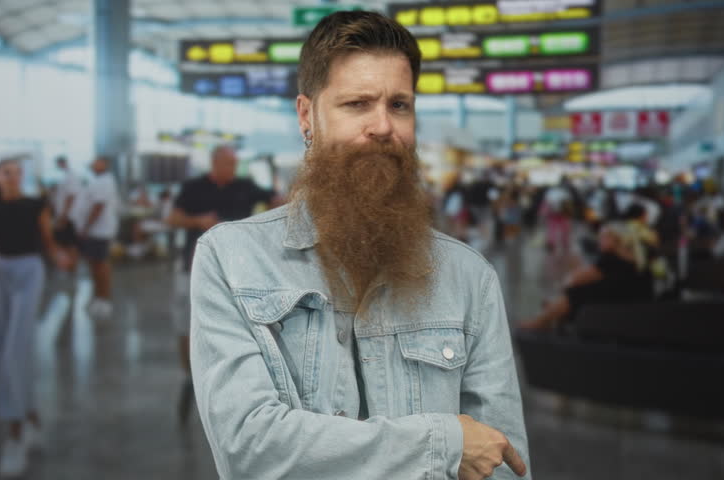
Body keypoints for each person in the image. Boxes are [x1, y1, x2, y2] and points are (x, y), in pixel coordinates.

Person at [190, 12, 529, 480]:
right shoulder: (232, 259)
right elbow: (247, 447)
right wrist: (443, 443)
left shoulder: (468, 277)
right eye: (357, 104)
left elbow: (503, 463)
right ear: (307, 115)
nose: (383, 126)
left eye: (399, 105)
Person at [0, 159, 70, 477]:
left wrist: (58, 256)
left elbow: (47, 239)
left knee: (15, 348)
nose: (14, 177)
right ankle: (30, 417)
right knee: (2, 349)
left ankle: (15, 435)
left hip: (29, 270)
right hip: (1, 271)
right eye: (7, 172)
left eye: (17, 172)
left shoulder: (36, 204)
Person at [167, 145, 281, 423]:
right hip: (193, 265)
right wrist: (197, 220)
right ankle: (188, 375)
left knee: (243, 324)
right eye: (227, 163)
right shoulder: (194, 188)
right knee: (186, 323)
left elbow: (277, 200)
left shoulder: (245, 186)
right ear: (215, 163)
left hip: (240, 270)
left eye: (234, 163)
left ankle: (242, 380)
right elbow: (172, 218)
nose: (231, 168)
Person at [520, 222, 653, 330]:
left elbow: (577, 279)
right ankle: (552, 311)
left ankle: (542, 321)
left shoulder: (612, 258)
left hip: (616, 304)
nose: (599, 240)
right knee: (577, 293)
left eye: (603, 237)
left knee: (574, 293)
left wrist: (572, 272)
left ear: (616, 239)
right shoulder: (635, 256)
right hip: (631, 301)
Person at [77, 156, 119, 319]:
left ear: (104, 164)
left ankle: (105, 300)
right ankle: (97, 296)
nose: (92, 164)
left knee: (101, 265)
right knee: (94, 265)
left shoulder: (105, 181)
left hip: (100, 230)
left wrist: (86, 227)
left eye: (96, 161)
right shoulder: (98, 180)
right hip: (95, 231)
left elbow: (98, 206)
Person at [52, 156, 82, 269]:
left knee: (70, 243)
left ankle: (72, 265)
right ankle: (69, 265)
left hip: (69, 216)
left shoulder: (71, 176)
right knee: (65, 242)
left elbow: (71, 197)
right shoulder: (65, 176)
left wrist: (64, 216)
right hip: (65, 215)